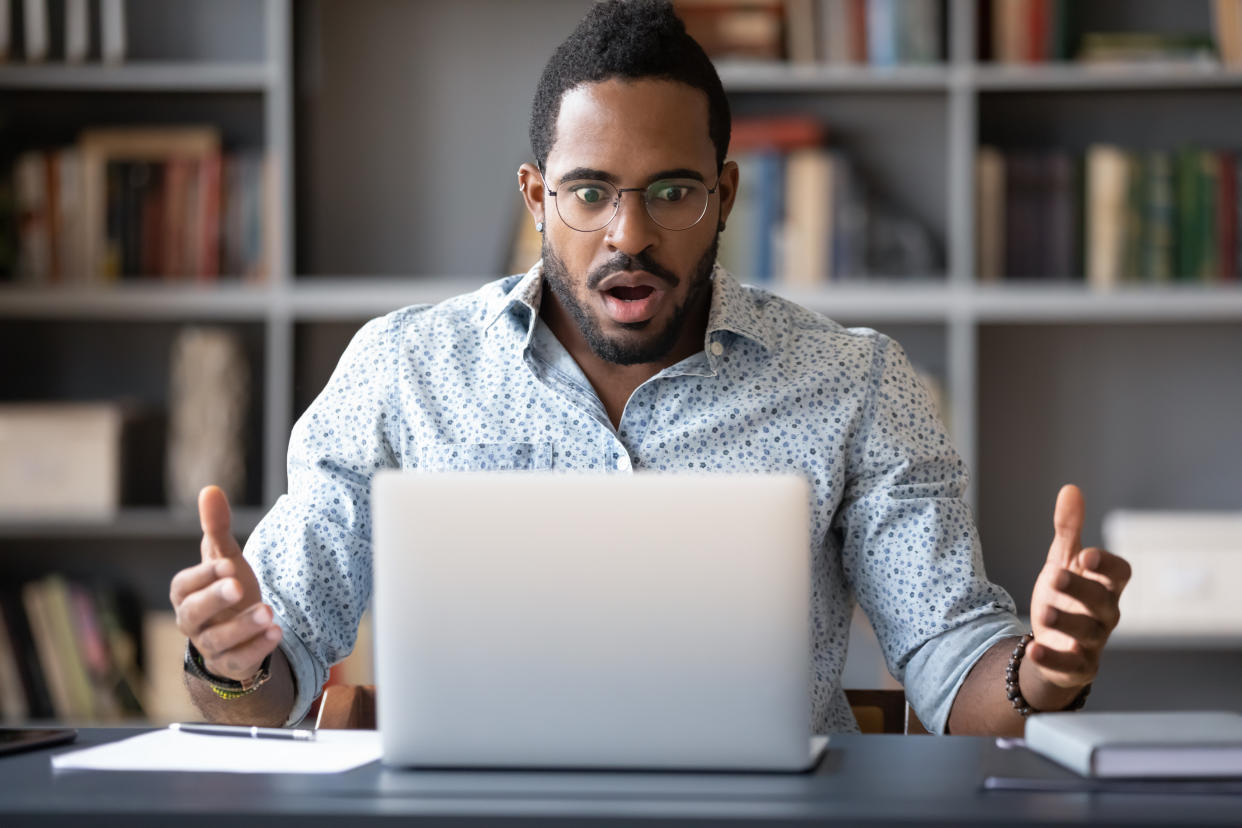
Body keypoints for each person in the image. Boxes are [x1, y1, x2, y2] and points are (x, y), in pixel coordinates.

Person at [169, 0, 1130, 735]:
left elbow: (953, 663)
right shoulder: (401, 371)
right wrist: (231, 655)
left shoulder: (856, 383)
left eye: (672, 192)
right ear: (538, 197)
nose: (630, 235)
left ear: (724, 193)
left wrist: (1041, 672)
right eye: (589, 192)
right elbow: (262, 681)